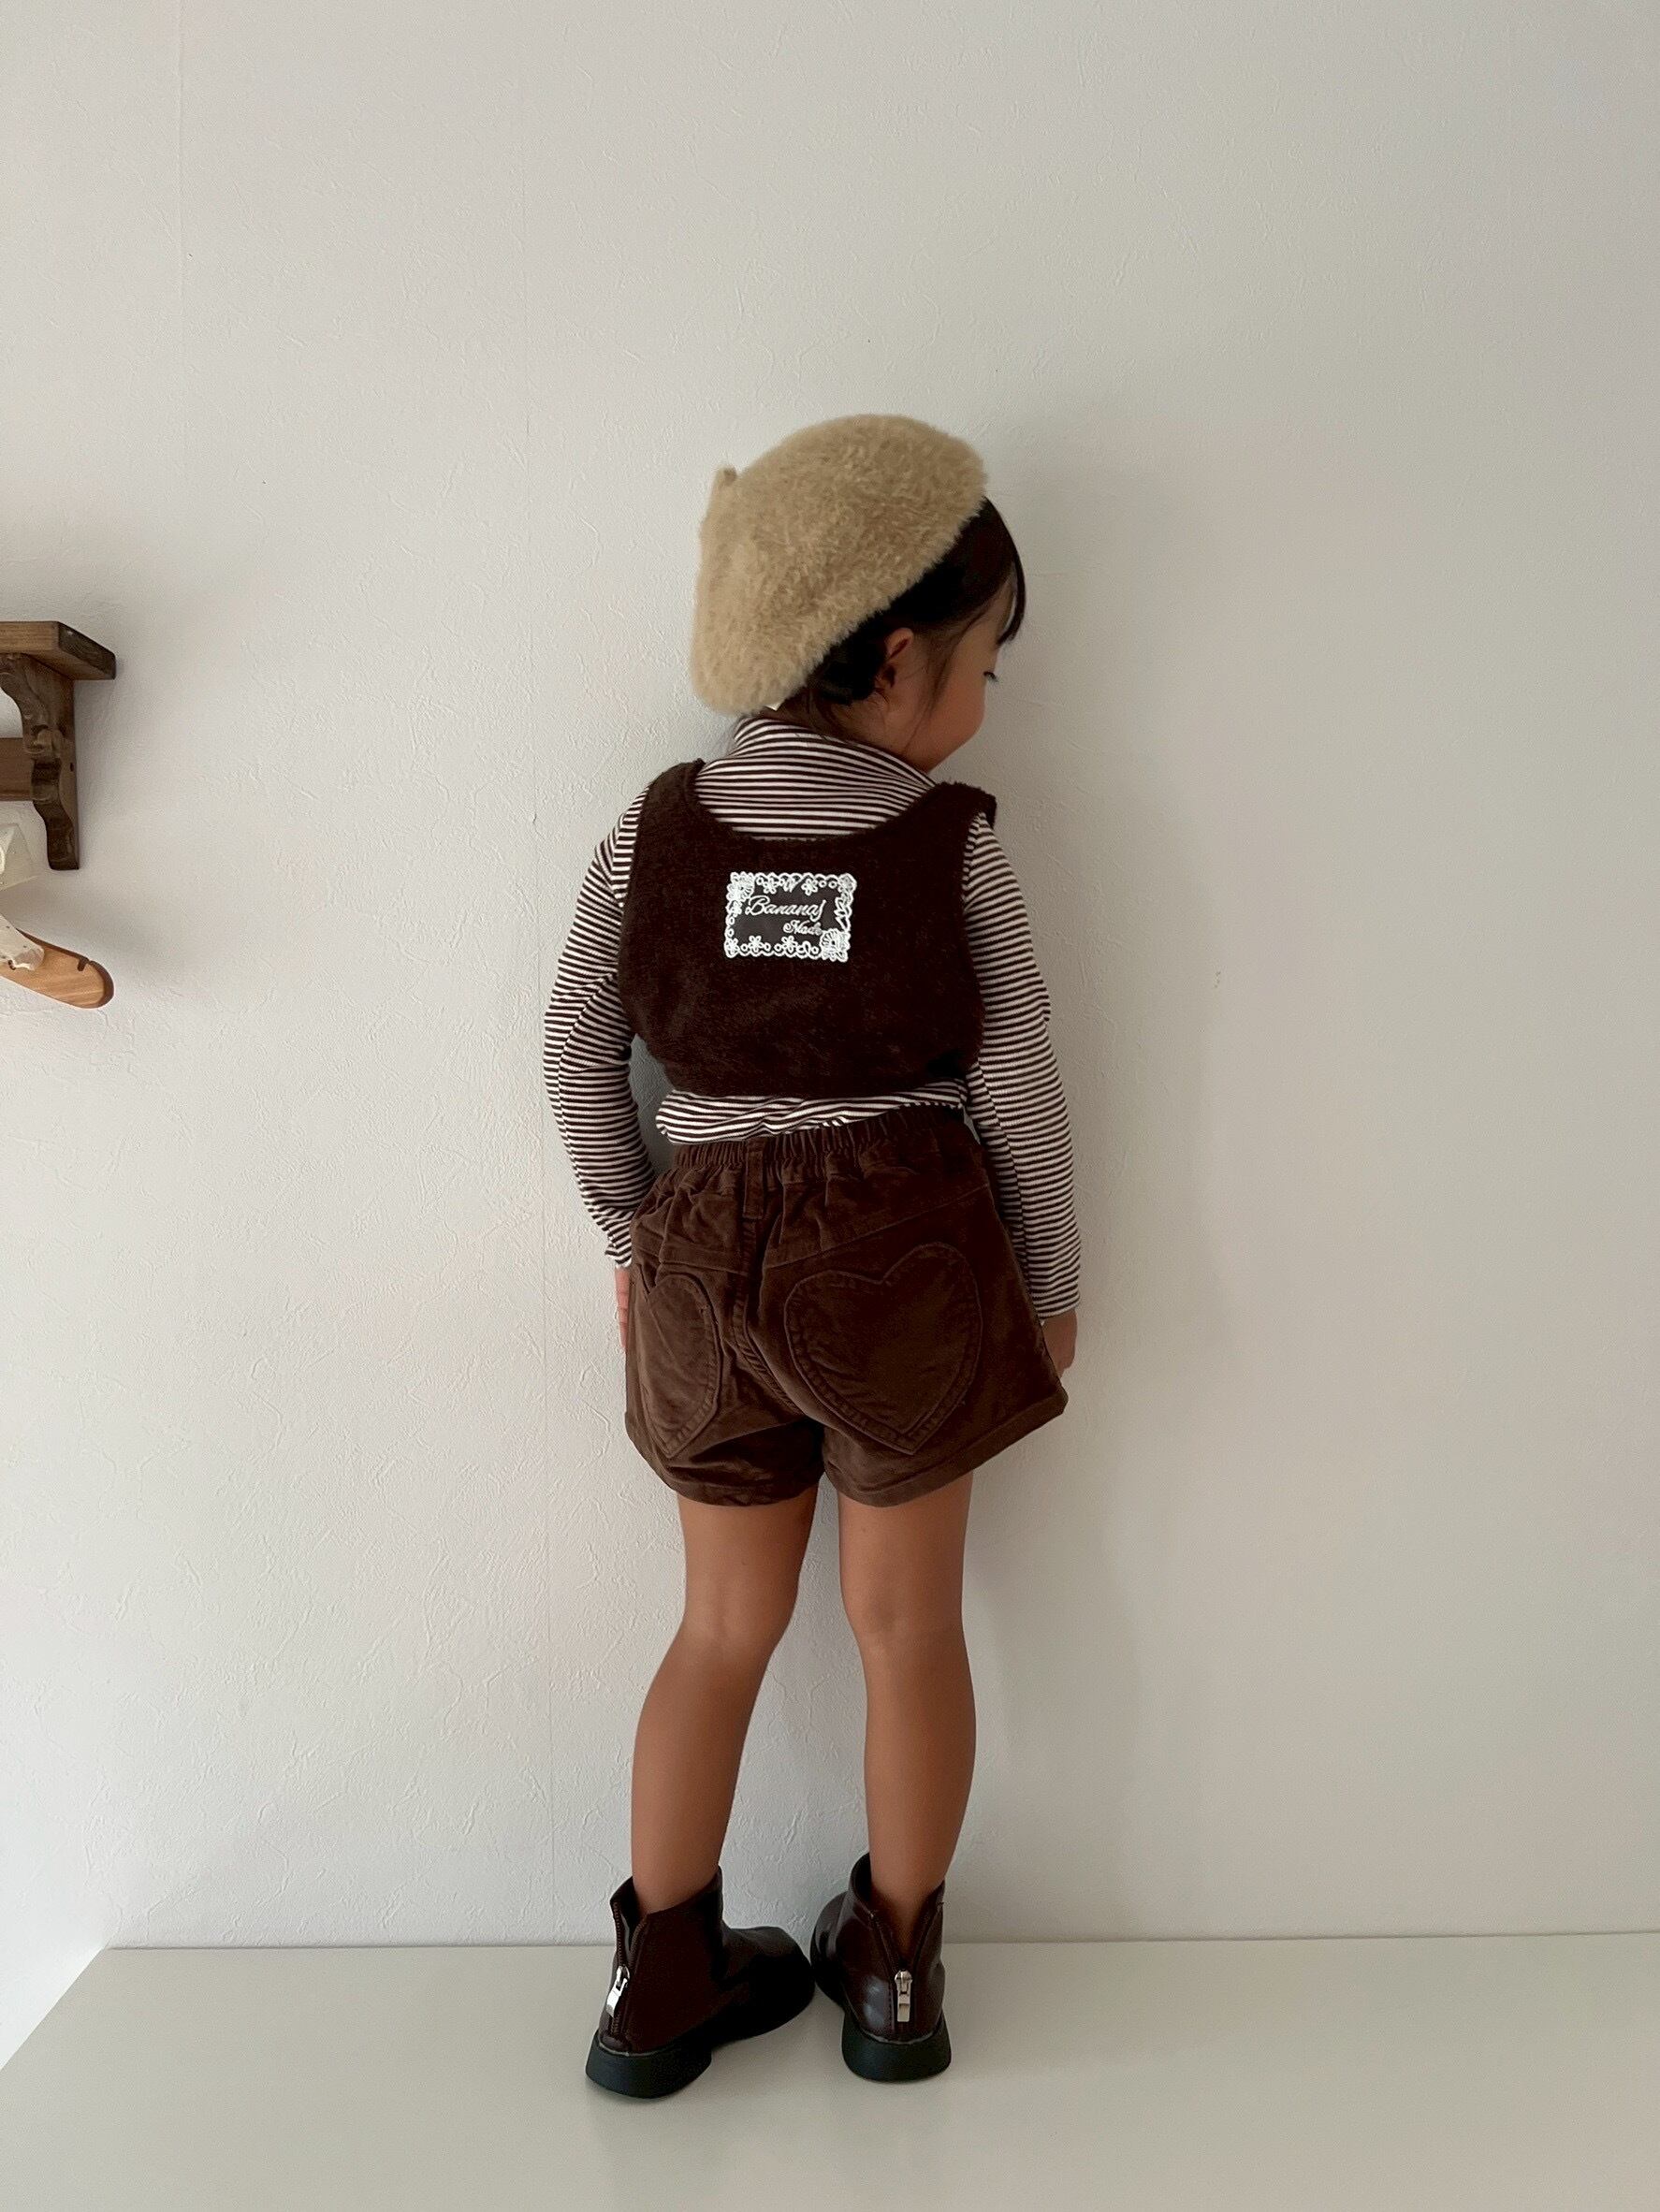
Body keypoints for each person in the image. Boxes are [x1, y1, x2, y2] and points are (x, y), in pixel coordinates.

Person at [545, 414, 1081, 2096]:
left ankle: (657, 1984)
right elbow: (1015, 1075)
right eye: (988, 662)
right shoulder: (948, 839)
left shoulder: (653, 828)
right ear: (901, 656)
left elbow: (574, 1050)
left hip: (700, 1259)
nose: (987, 699)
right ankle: (895, 1976)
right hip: (905, 1258)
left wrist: (636, 1234)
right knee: (906, 1628)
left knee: (717, 1631)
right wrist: (1051, 1283)